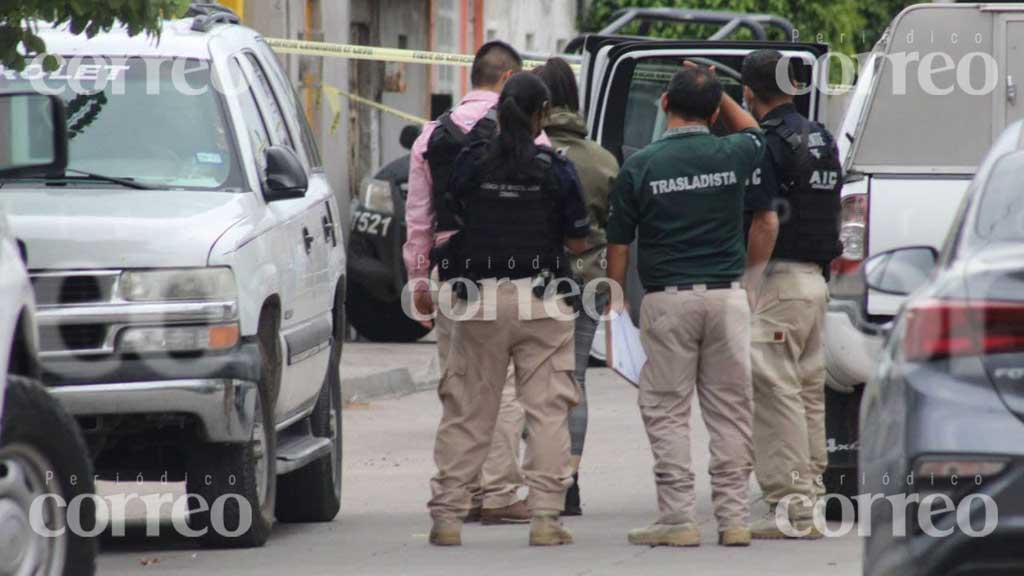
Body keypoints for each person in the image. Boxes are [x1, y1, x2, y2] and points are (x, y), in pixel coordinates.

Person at [606, 64, 767, 548]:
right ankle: (734, 519)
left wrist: (616, 298)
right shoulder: (734, 150)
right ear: (716, 112)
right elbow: (755, 130)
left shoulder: (641, 165)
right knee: (731, 411)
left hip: (668, 303)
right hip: (727, 299)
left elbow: (619, 242)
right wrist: (717, 89)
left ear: (663, 106)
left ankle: (677, 518)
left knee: (667, 409)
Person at [426, 72, 590, 547]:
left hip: (478, 301)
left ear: (500, 111)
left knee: (468, 410)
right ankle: (545, 519)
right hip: (541, 300)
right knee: (547, 411)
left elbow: (449, 220)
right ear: (542, 115)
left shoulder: (470, 163)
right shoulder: (555, 168)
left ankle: (448, 518)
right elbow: (578, 238)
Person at [404, 40, 535, 525]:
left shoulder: (429, 136)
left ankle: (469, 490)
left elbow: (418, 218)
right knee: (501, 386)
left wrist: (418, 279)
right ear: (506, 81)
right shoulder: (521, 136)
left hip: (449, 276)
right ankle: (501, 492)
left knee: (460, 386)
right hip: (507, 273)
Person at [741, 49, 843, 540]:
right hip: (816, 283)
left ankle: (790, 508)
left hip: (780, 283)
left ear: (748, 92)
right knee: (806, 393)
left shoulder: (767, 143)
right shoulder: (822, 138)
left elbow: (766, 220)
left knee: (775, 391)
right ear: (797, 88)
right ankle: (813, 499)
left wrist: (749, 283)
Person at [534, 57, 619, 517]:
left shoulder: (527, 154)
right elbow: (617, 225)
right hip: (587, 284)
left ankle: (537, 477)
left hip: (535, 285)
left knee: (531, 382)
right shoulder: (602, 160)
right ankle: (571, 482)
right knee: (575, 381)